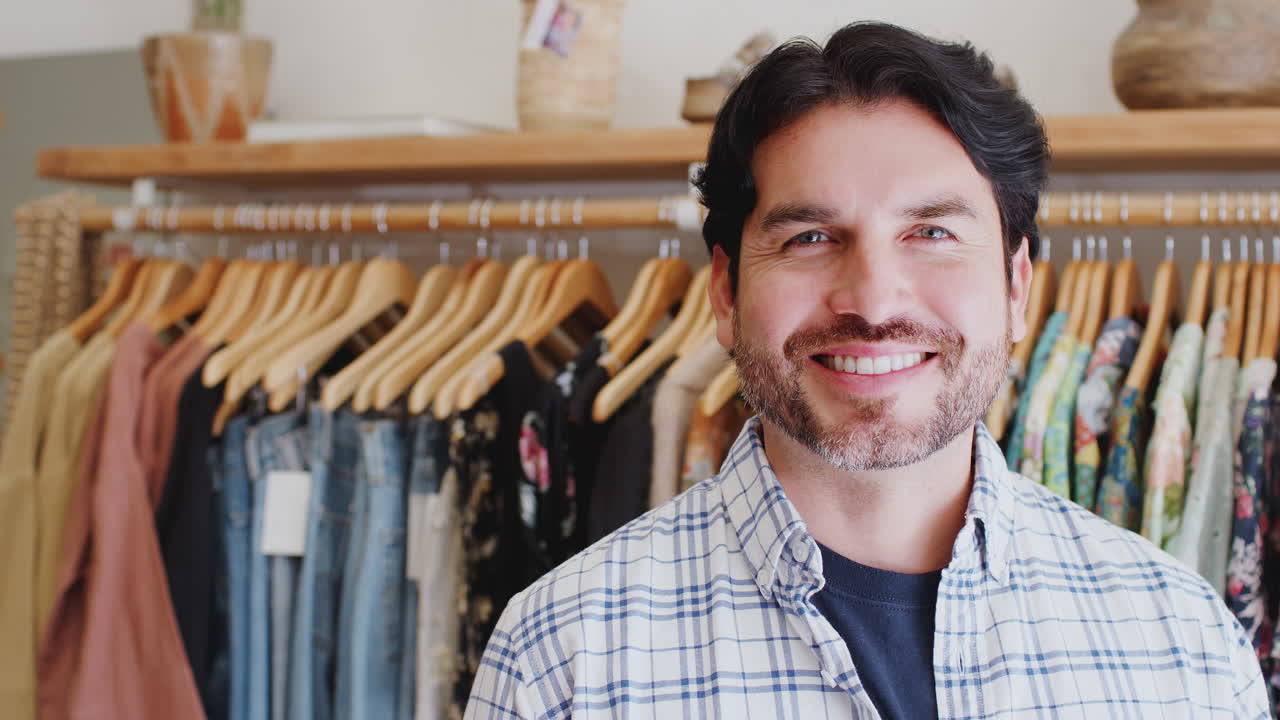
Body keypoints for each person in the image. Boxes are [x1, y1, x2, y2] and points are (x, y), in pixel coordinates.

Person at [464, 21, 1269, 719]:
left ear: (1017, 286)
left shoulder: (1187, 649)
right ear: (724, 290)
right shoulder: (561, 656)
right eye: (810, 237)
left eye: (932, 233)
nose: (874, 299)